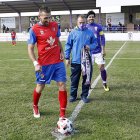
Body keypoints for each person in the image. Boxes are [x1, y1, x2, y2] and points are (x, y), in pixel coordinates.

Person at [27, 6, 67, 118]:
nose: (48, 20)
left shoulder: (55, 25)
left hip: (58, 62)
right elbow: (30, 48)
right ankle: (35, 106)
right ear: (39, 16)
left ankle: (62, 114)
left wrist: (62, 51)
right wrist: (35, 63)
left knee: (62, 84)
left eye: (49, 17)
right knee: (40, 86)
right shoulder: (34, 29)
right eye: (45, 18)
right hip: (44, 64)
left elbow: (57, 40)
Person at [65, 15, 97, 103]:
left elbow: (95, 43)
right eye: (80, 22)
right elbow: (68, 45)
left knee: (86, 80)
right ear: (77, 22)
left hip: (87, 61)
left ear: (85, 22)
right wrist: (67, 57)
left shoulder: (90, 32)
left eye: (83, 22)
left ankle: (84, 95)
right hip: (76, 61)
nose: (82, 24)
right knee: (74, 80)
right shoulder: (73, 33)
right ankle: (73, 95)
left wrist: (89, 46)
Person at [86, 11, 110, 92]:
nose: (91, 18)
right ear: (87, 18)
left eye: (92, 16)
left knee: (101, 67)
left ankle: (104, 83)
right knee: (88, 69)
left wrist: (103, 49)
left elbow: (102, 38)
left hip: (98, 51)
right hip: (89, 52)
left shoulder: (99, 26)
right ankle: (88, 83)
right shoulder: (85, 27)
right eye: (90, 17)